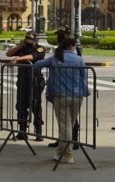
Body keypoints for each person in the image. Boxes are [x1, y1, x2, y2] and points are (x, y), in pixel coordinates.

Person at [33, 35, 89, 165]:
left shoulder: (55, 58)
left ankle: (68, 154)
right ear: (71, 46)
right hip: (77, 95)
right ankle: (60, 152)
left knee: (64, 126)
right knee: (70, 124)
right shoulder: (79, 59)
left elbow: (37, 65)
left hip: (60, 95)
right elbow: (83, 76)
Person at [5, 30, 46, 141]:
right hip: (23, 80)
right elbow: (8, 53)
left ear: (36, 39)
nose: (28, 41)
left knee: (35, 105)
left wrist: (18, 58)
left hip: (35, 81)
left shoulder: (40, 48)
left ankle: (38, 132)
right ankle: (22, 132)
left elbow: (33, 56)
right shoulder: (23, 48)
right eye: (27, 38)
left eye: (30, 39)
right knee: (21, 106)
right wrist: (20, 45)